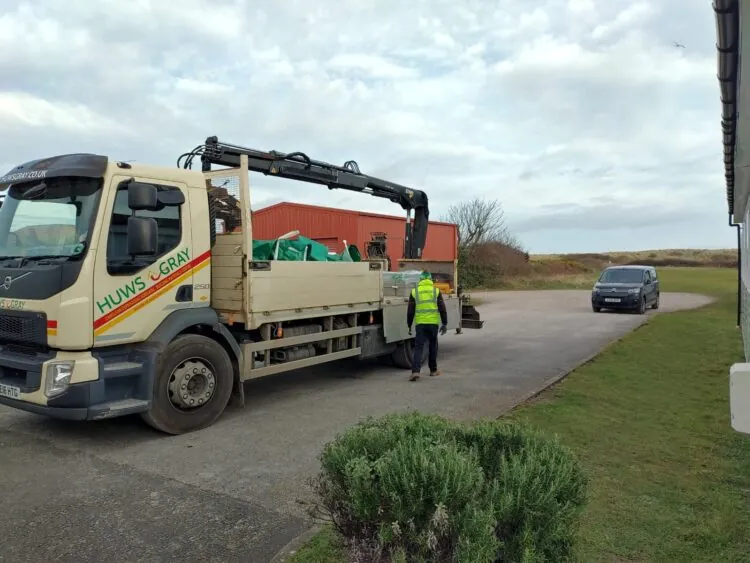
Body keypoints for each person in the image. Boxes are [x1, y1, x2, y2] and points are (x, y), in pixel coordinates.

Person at [406, 271, 448, 381]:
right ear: (430, 280)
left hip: (420, 324)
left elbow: (410, 311)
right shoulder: (436, 291)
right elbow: (442, 308)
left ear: (420, 280)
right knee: (433, 346)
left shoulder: (415, 291)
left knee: (418, 347)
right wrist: (444, 323)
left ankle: (415, 371)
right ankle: (433, 370)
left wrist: (409, 325)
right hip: (433, 324)